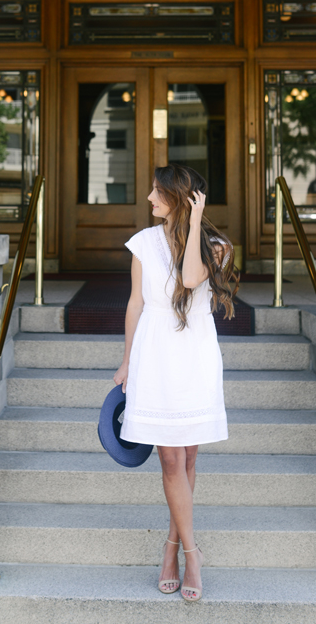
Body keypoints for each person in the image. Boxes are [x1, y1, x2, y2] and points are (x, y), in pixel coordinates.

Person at [113, 163, 238, 602]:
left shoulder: (217, 248)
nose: (149, 198)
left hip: (194, 353)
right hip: (154, 352)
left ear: (182, 199)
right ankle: (190, 552)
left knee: (187, 460)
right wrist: (127, 360)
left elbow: (188, 279)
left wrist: (198, 221)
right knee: (169, 461)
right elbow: (134, 304)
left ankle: (171, 546)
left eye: (158, 192)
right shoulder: (143, 243)